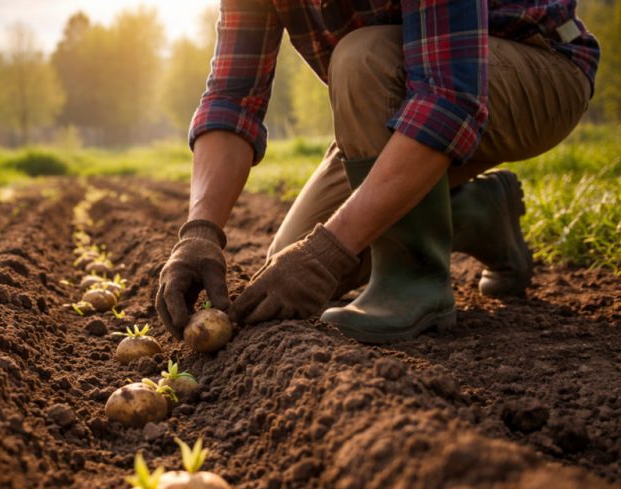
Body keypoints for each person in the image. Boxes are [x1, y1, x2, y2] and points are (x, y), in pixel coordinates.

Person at [155, 0, 599, 344]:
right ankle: (482, 216)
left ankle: (413, 282)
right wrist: (200, 232)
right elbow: (234, 99)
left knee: (361, 55)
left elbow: (449, 100)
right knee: (291, 261)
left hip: (536, 63)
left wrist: (330, 250)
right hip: (406, 90)